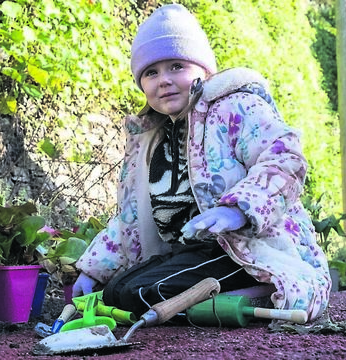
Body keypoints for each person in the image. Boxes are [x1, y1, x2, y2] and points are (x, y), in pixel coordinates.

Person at [73, 3, 330, 322]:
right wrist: (94, 270)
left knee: (144, 295)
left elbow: (284, 158)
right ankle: (216, 303)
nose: (163, 80)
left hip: (252, 248)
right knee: (118, 292)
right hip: (191, 253)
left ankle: (265, 290)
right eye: (151, 72)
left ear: (204, 71)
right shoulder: (151, 139)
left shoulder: (236, 108)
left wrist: (238, 209)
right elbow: (131, 221)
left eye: (176, 66)